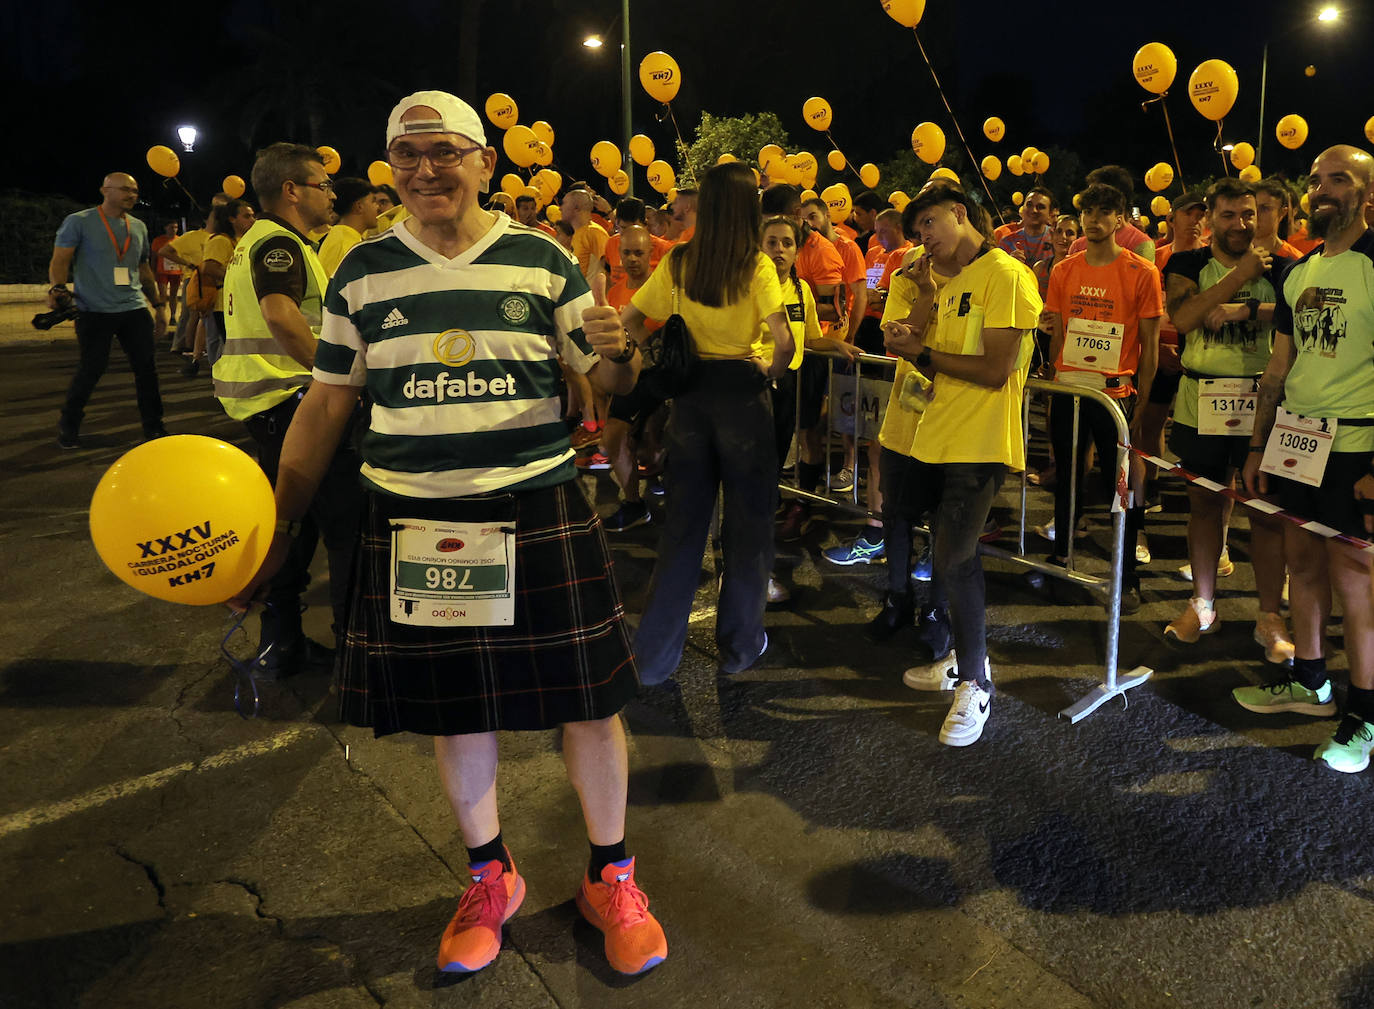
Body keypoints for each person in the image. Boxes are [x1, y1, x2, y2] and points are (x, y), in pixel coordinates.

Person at [234, 92, 665, 975]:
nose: (426, 169)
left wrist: (622, 351)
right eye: (408, 155)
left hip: (537, 506)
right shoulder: (361, 272)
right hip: (417, 518)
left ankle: (611, 875)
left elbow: (612, 377)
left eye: (444, 151)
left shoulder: (543, 258)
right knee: (456, 708)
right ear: (391, 168)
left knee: (590, 702)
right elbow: (325, 404)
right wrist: (277, 524)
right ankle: (489, 876)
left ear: (484, 161)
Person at [882, 183, 1041, 747]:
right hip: (938, 435)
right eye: (916, 231)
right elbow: (936, 361)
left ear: (959, 213)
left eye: (929, 223)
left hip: (980, 441)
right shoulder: (952, 283)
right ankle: (962, 661)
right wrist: (918, 339)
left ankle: (976, 682)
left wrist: (922, 352)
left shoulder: (1006, 274)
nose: (923, 238)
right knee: (946, 554)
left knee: (955, 559)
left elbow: (996, 370)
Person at [626, 162, 794, 683]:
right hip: (742, 397)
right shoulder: (756, 265)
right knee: (749, 529)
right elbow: (784, 341)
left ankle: (653, 659)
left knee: (682, 528)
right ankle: (739, 646)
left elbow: (632, 318)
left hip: (691, 398)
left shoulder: (680, 260)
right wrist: (769, 368)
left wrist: (643, 357)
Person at [1242, 144, 1374, 774]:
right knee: (1301, 561)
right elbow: (1279, 366)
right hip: (1295, 440)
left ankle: (1365, 714)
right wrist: (1256, 443)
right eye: (1317, 180)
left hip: (1357, 446)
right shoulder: (1297, 273)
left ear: (1367, 193)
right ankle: (1311, 681)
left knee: (1356, 581)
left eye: (1339, 180)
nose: (1323, 190)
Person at [215, 142, 361, 681]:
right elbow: (280, 316)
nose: (332, 194)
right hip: (293, 399)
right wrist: (334, 376)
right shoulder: (280, 243)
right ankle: (356, 653)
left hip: (268, 404)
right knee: (347, 530)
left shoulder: (256, 239)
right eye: (324, 184)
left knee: (295, 530)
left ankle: (282, 645)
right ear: (292, 190)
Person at [1162, 178, 1293, 661]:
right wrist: (1239, 276)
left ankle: (1270, 617)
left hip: (1264, 401)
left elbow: (1299, 311)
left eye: (1249, 214)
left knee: (1265, 510)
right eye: (1229, 215)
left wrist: (1244, 308)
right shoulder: (1186, 264)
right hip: (1202, 399)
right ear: (1209, 220)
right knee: (1203, 504)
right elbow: (1184, 318)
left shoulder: (1283, 267)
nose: (1240, 224)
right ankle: (1202, 606)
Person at [1041, 183, 1160, 609]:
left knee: (1119, 485)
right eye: (1087, 211)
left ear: (1119, 218)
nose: (1094, 219)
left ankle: (1126, 574)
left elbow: (1150, 344)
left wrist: (1141, 401)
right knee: (1068, 475)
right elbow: (1056, 334)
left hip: (1116, 394)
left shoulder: (1141, 272)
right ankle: (1061, 557)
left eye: (1104, 211)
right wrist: (1054, 384)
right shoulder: (1063, 270)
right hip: (1070, 388)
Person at [50, 172, 168, 448]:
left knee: (147, 369)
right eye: (125, 189)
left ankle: (154, 427)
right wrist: (57, 288)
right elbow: (60, 260)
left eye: (135, 191)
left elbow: (143, 268)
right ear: (105, 190)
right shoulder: (79, 221)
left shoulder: (138, 226)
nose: (132, 195)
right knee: (91, 369)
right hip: (93, 309)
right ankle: (69, 425)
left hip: (133, 307)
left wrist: (158, 305)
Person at [600, 223, 663, 530]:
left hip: (658, 380)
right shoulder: (614, 292)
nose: (632, 259)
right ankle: (634, 503)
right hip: (628, 381)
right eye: (626, 253)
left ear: (650, 253)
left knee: (652, 447)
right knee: (613, 438)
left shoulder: (662, 291)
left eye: (639, 252)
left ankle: (659, 477)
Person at [192, 197, 256, 373]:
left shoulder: (240, 240)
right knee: (226, 347)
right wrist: (236, 278)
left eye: (252, 216)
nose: (252, 220)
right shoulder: (221, 240)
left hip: (237, 303)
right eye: (246, 216)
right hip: (224, 305)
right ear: (232, 219)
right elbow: (208, 267)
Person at [1068, 166, 1157, 262]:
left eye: (1097, 193)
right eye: (1088, 211)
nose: (1093, 218)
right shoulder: (1077, 246)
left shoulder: (1140, 244)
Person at [317, 177, 379, 277]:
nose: (378, 207)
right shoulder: (347, 245)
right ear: (359, 207)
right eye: (373, 201)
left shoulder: (341, 237)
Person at [995, 186, 1057, 268]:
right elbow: (996, 271)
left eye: (1040, 207)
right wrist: (1009, 262)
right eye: (1029, 205)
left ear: (1050, 213)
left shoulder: (1057, 240)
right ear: (1023, 208)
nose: (1034, 210)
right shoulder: (1007, 242)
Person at [151, 221, 182, 326]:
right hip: (162, 272)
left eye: (176, 227)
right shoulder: (158, 241)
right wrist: (153, 271)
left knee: (173, 295)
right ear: (165, 228)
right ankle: (162, 316)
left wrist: (183, 271)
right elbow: (153, 257)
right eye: (171, 227)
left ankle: (173, 317)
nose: (174, 230)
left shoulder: (180, 240)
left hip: (176, 272)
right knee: (163, 295)